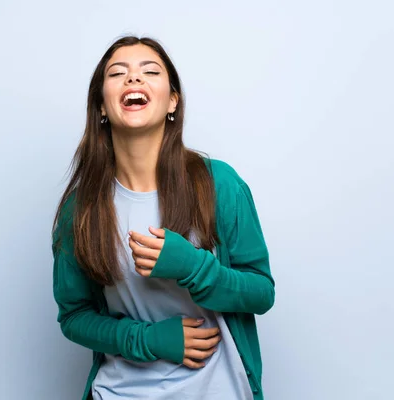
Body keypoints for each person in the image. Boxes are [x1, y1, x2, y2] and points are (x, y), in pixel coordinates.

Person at [52, 36, 275, 400]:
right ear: (101, 107)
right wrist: (148, 339)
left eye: (150, 71)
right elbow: (74, 316)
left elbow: (262, 293)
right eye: (118, 73)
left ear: (173, 101)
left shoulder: (219, 184)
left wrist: (194, 268)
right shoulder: (81, 210)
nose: (133, 80)